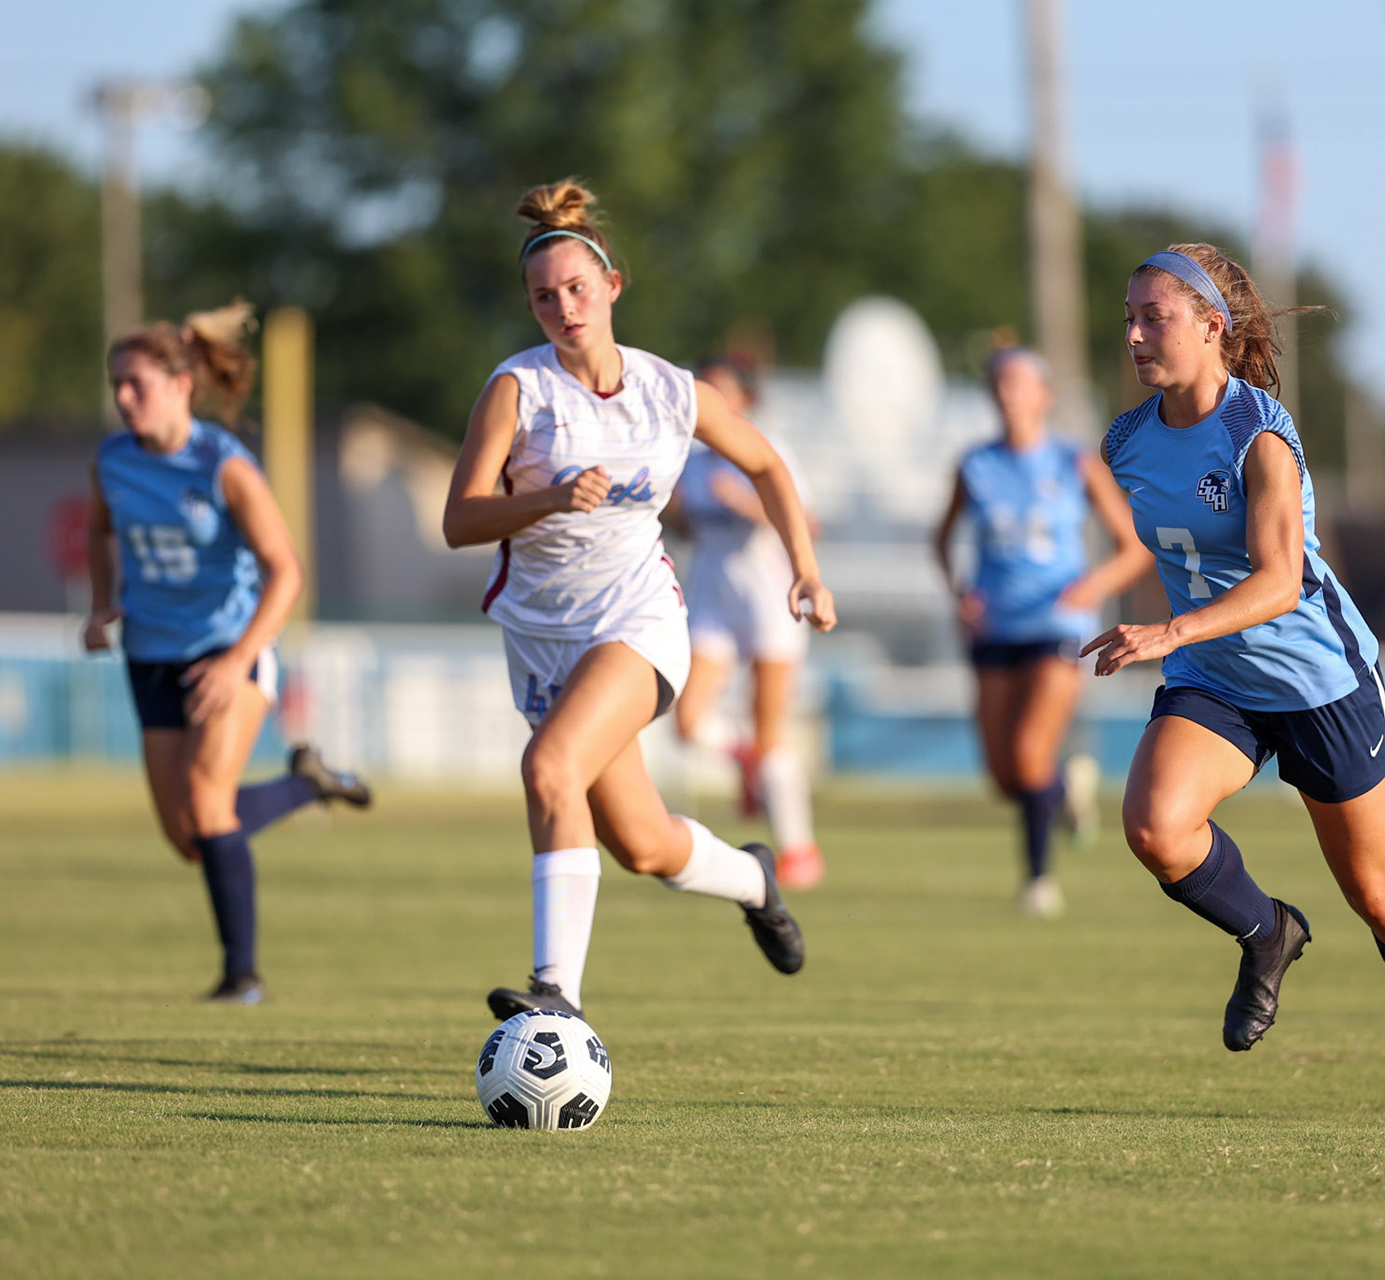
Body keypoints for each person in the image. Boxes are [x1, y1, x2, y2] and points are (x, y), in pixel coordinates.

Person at [1084, 244, 1385, 1123]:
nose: (1135, 335)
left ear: (1211, 326)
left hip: (1318, 681)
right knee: (1156, 828)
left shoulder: (1258, 433)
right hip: (1216, 677)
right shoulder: (1125, 441)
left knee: (1383, 901)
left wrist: (1166, 631)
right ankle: (1268, 933)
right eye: (1130, 318)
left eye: (1154, 318)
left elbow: (1277, 583)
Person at [442, 179, 834, 1022]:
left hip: (637, 619)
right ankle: (754, 879)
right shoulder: (517, 390)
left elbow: (766, 465)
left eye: (577, 288)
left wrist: (804, 568)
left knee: (549, 768)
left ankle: (557, 995)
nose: (564, 307)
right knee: (643, 845)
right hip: (540, 636)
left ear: (613, 286)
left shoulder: (671, 390)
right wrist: (549, 498)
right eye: (544, 297)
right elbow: (459, 520)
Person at [84, 302, 372, 1005]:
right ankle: (307, 784)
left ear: (181, 384)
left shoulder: (224, 465)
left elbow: (287, 572)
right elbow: (99, 532)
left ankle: (242, 976)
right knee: (187, 837)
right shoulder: (112, 461)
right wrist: (99, 604)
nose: (124, 398)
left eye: (137, 383)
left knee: (209, 804)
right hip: (150, 653)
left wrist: (237, 658)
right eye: (117, 384)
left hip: (228, 646)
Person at [933, 347, 1153, 917]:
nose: (1007, 392)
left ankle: (1038, 881)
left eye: (1019, 382)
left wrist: (1091, 587)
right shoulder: (975, 465)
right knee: (1005, 777)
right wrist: (960, 594)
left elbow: (1134, 548)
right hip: (994, 626)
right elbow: (941, 539)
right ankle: (1064, 792)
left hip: (1055, 624)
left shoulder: (1072, 462)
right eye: (999, 382)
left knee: (1030, 753)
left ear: (1044, 395)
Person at [669, 355, 825, 890]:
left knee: (770, 729)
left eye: (721, 390)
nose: (709, 399)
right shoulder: (692, 459)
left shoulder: (766, 450)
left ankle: (799, 851)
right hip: (713, 596)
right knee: (688, 720)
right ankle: (742, 758)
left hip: (769, 599)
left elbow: (808, 524)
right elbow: (690, 530)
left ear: (745, 400)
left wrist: (745, 502)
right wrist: (673, 512)